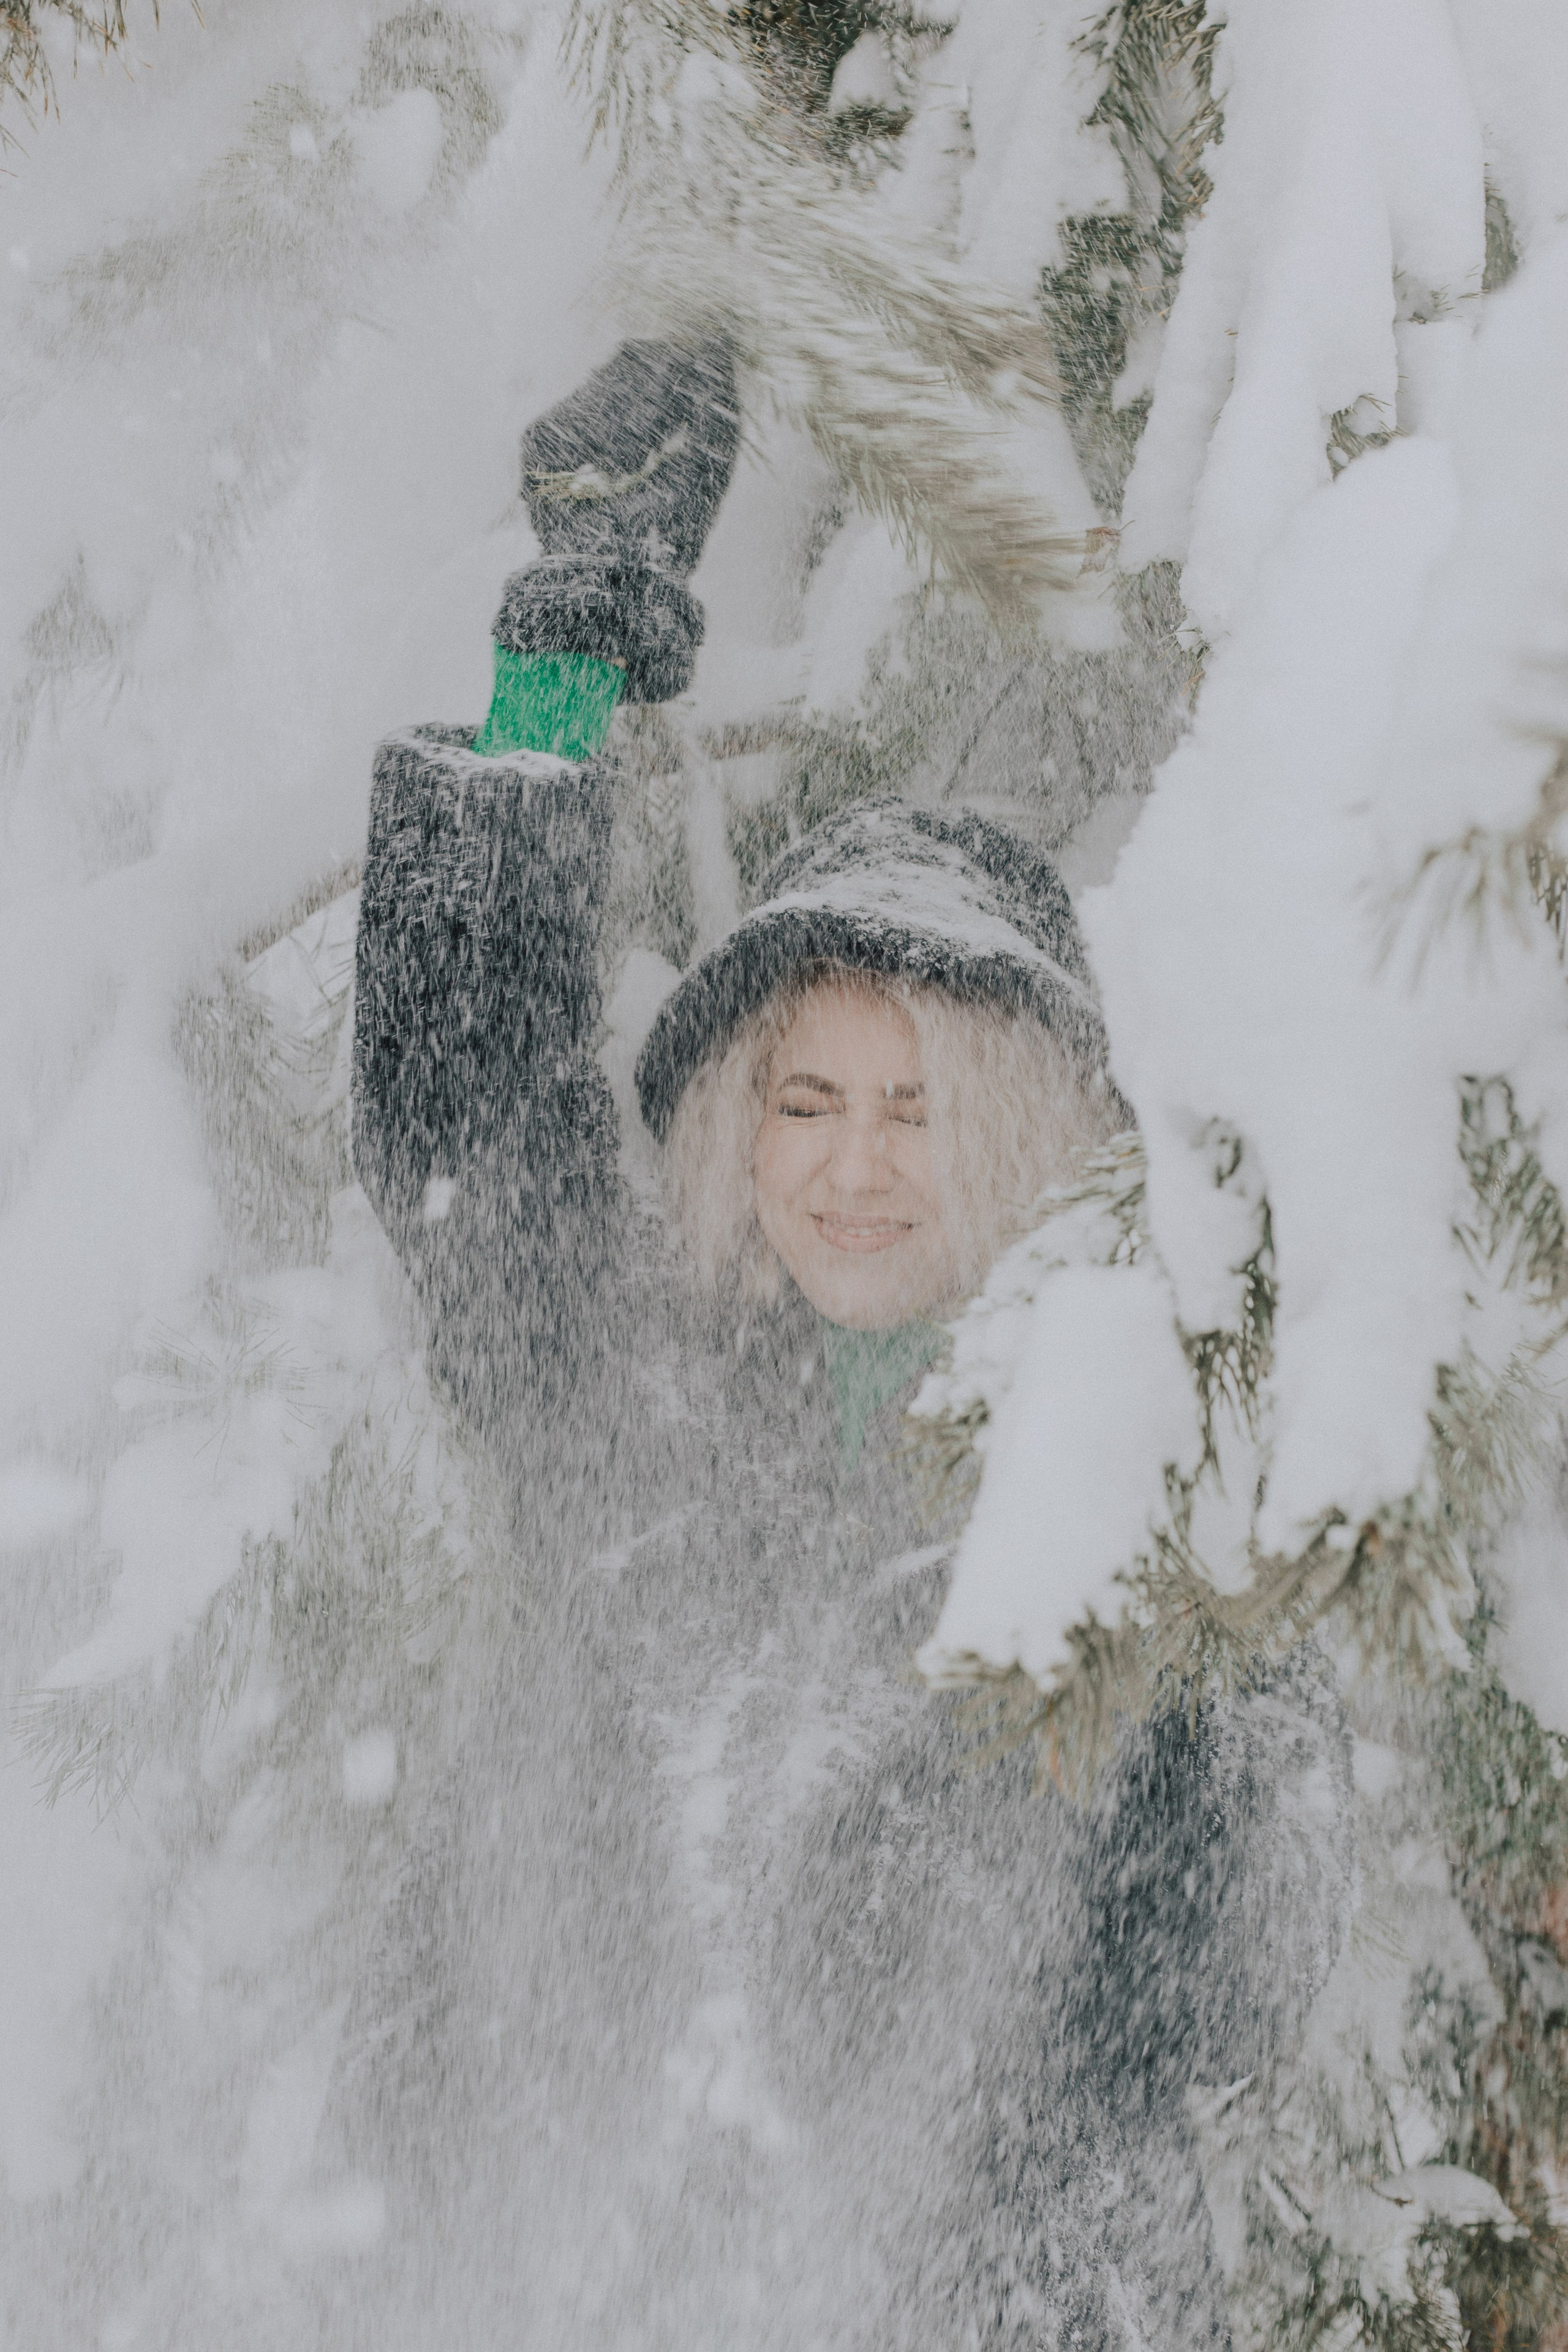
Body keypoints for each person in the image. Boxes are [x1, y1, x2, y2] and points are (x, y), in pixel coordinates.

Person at [331, 338, 1349, 2350]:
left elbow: (1237, 1974)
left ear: (1032, 1136)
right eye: (806, 1102)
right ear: (733, 1124)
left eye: (924, 1110)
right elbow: (463, 1109)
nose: (859, 1175)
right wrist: (570, 641)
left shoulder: (1136, 1469)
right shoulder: (629, 1400)